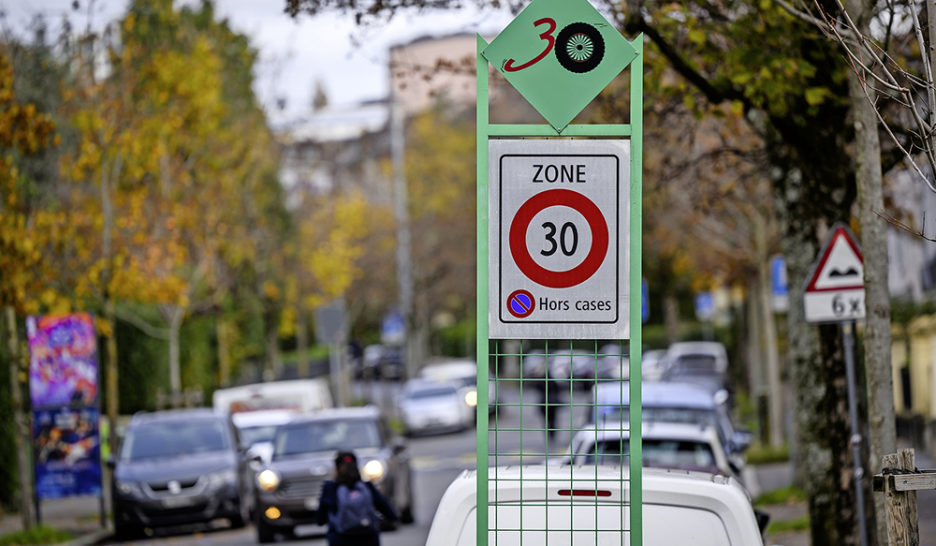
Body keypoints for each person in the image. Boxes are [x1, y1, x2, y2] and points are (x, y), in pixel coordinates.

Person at [317, 451, 398, 546]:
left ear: (336, 469)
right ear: (357, 467)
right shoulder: (367, 487)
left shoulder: (330, 489)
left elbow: (320, 519)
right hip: (368, 536)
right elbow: (386, 509)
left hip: (341, 539)